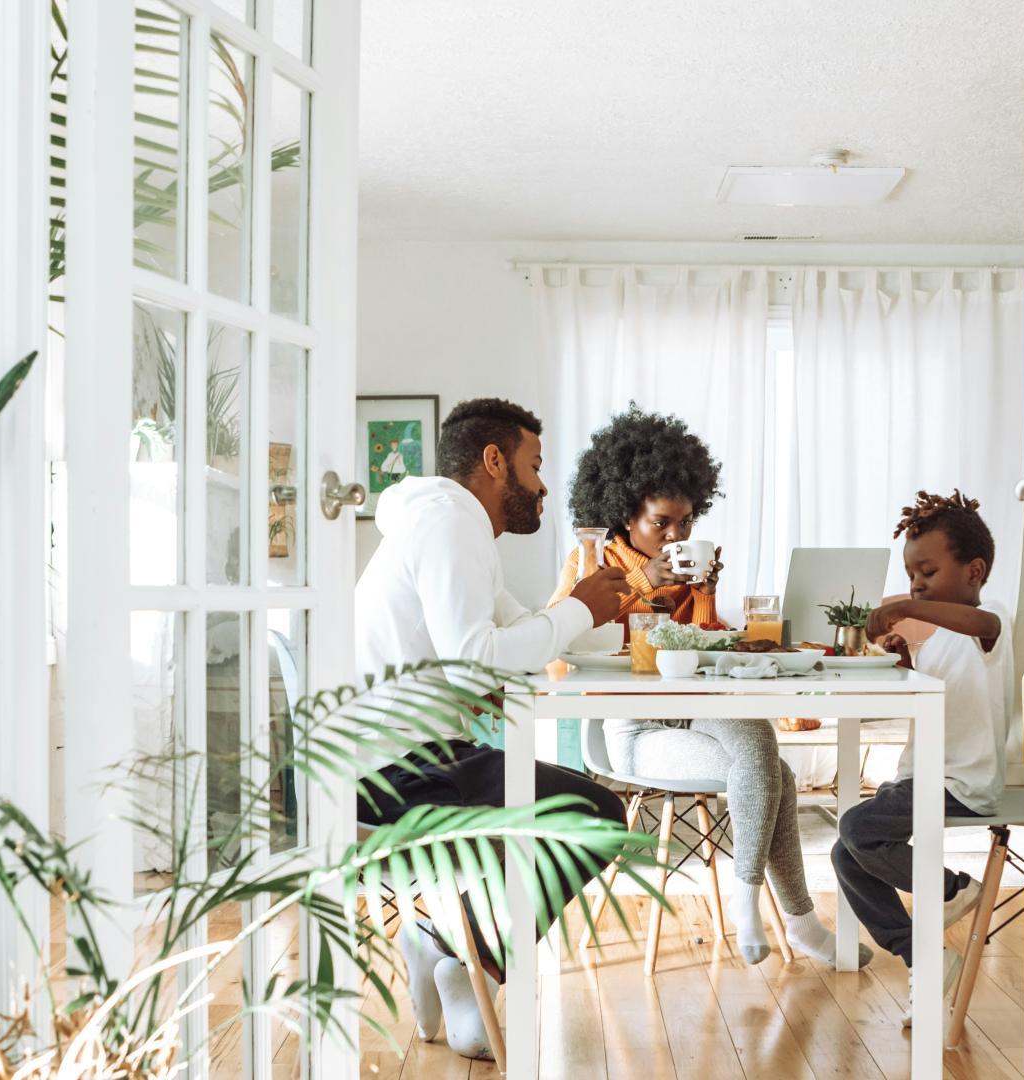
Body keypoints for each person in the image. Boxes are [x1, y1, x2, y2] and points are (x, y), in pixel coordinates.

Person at [355, 397, 630, 1061]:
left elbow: (513, 636)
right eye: (534, 466)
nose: (540, 486)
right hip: (385, 774)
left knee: (576, 803)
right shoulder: (451, 522)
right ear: (494, 460)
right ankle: (456, 956)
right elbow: (479, 656)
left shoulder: (447, 523)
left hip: (406, 755)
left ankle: (446, 946)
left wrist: (578, 613)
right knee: (595, 814)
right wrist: (578, 608)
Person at [546, 406, 861, 968]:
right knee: (775, 772)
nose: (676, 535)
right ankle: (790, 918)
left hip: (693, 711)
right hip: (634, 728)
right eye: (661, 522)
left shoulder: (688, 567)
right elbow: (559, 650)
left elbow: (696, 650)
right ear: (623, 513)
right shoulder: (590, 562)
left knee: (760, 743)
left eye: (686, 522)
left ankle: (758, 905)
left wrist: (708, 596)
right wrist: (643, 581)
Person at [829, 489, 1016, 1024]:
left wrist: (907, 608)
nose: (915, 585)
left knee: (859, 830)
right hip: (920, 777)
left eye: (927, 573)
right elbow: (933, 698)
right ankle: (924, 957)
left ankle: (955, 889)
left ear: (975, 571)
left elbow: (981, 629)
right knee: (846, 854)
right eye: (912, 576)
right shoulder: (937, 643)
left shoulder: (990, 621)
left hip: (961, 782)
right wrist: (906, 655)